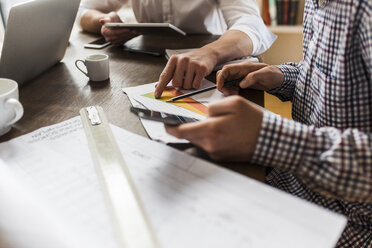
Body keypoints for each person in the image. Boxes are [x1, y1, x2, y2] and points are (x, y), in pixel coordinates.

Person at [165, 0, 372, 246]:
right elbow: (335, 80)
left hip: (350, 225)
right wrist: (282, 76)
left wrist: (270, 137)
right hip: (297, 184)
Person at [77, 0, 276, 98]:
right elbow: (82, 9)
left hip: (211, 68)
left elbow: (252, 24)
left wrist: (211, 52)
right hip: (145, 65)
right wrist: (104, 21)